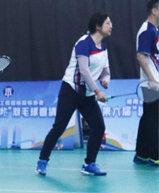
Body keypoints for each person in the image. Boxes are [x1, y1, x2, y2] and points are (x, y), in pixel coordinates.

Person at [36, 12, 112, 176]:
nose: (111, 26)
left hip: (88, 95)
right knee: (59, 127)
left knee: (99, 127)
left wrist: (105, 80)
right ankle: (42, 160)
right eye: (107, 23)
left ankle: (89, 164)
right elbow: (84, 70)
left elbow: (106, 71)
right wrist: (98, 90)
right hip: (71, 90)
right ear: (98, 27)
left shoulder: (103, 48)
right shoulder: (83, 43)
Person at [134, 0, 159, 166]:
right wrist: (153, 80)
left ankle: (142, 154)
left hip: (154, 81)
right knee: (154, 119)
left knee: (149, 117)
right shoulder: (147, 30)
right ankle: (155, 156)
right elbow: (141, 57)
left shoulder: (155, 30)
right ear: (154, 11)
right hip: (151, 84)